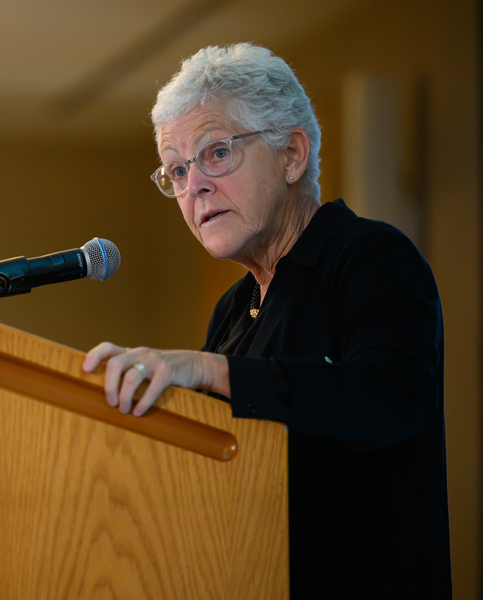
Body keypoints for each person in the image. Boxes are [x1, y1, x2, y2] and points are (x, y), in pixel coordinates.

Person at [82, 43, 450, 598]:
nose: (194, 186)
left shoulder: (371, 256)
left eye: (217, 153)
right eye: (177, 170)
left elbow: (394, 397)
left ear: (292, 155)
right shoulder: (232, 308)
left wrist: (211, 372)